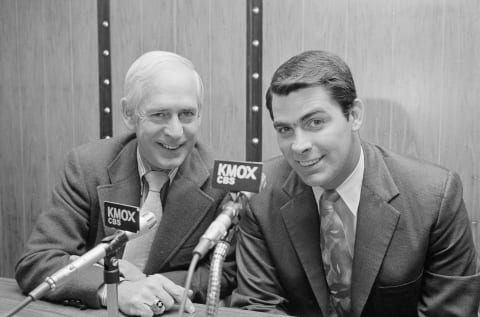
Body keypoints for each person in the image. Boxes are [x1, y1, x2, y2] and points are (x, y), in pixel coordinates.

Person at [231, 50, 480, 317]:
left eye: (315, 122)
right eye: (285, 130)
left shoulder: (436, 196)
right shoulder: (260, 192)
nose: (298, 145)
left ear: (354, 116)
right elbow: (259, 308)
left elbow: (450, 312)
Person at [15, 51, 235, 316]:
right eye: (160, 115)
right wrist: (113, 288)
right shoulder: (88, 166)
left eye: (187, 114)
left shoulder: (221, 181)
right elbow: (37, 261)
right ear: (129, 114)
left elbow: (225, 272)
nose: (176, 132)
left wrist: (144, 285)